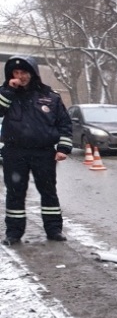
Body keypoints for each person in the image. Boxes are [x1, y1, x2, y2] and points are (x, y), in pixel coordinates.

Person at [0, 55, 72, 245]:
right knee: (15, 193)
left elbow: (64, 123)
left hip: (43, 152)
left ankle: (54, 229)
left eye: (23, 72)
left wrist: (63, 148)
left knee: (48, 191)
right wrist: (8, 91)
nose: (20, 76)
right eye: (16, 72)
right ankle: (13, 233)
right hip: (14, 152)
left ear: (32, 73)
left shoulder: (50, 97)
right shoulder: (5, 93)